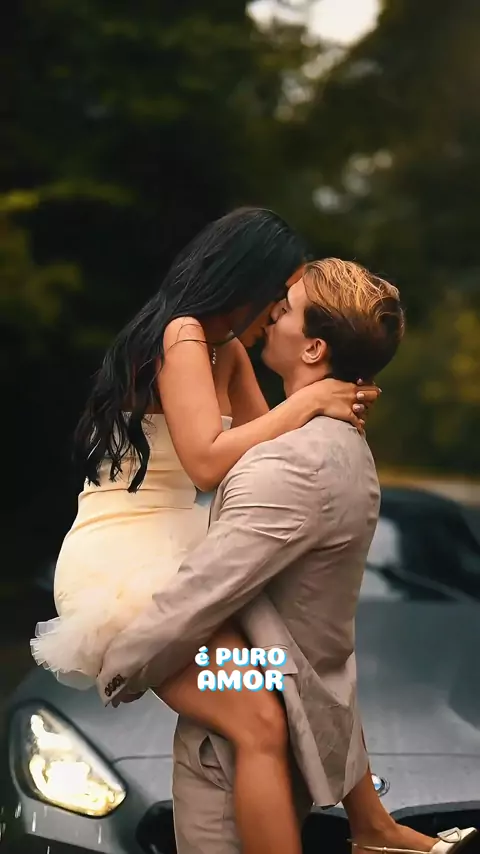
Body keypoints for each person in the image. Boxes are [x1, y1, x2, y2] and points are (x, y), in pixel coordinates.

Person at [96, 259, 478, 854]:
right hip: (290, 699)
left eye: (287, 308)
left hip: (230, 764)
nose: (271, 313)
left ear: (314, 347)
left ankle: (378, 832)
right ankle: (378, 833)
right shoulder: (344, 443)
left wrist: (115, 665)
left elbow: (204, 590)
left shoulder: (290, 464)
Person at [30, 210, 380, 854]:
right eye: (278, 294)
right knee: (258, 720)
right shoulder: (182, 335)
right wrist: (308, 400)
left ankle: (374, 827)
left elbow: (269, 450)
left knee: (289, 676)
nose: (277, 312)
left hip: (180, 544)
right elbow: (207, 462)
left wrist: (333, 411)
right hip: (121, 561)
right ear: (249, 278)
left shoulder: (227, 351)